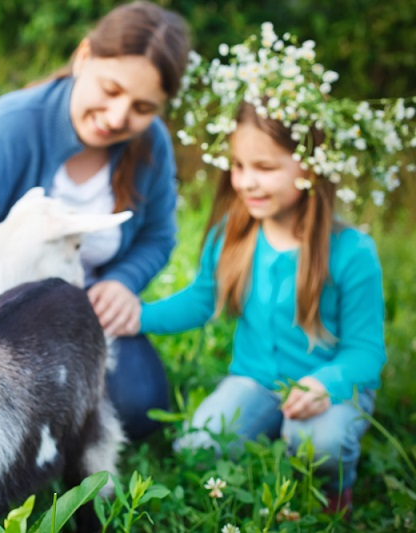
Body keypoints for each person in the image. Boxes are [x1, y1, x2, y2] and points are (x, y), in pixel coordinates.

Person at [130, 23, 414, 513]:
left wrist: (326, 383)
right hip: (255, 379)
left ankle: (335, 487)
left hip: (330, 386)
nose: (245, 183)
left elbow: (367, 353)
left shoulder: (351, 251)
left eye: (264, 168)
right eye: (239, 167)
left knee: (318, 446)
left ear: (307, 167)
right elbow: (203, 298)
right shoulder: (233, 236)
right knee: (195, 451)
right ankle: (275, 439)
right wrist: (140, 315)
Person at [0, 1, 190, 440]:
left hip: (90, 312)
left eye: (143, 107)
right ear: (84, 57)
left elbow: (159, 237)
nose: (117, 118)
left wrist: (124, 281)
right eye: (110, 90)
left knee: (141, 411)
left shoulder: (152, 145)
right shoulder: (9, 128)